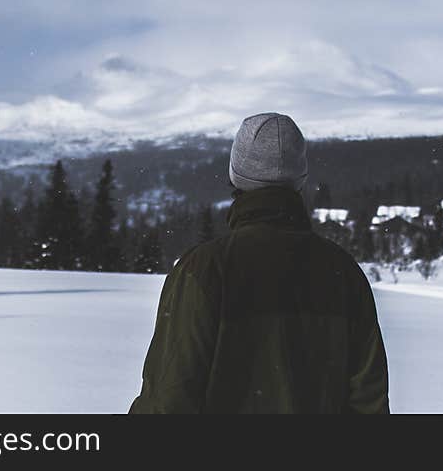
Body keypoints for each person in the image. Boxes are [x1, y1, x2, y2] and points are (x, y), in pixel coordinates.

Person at [129, 112, 389, 414]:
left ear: (235, 174)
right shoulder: (344, 274)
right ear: (300, 179)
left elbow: (169, 398)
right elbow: (369, 404)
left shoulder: (204, 270)